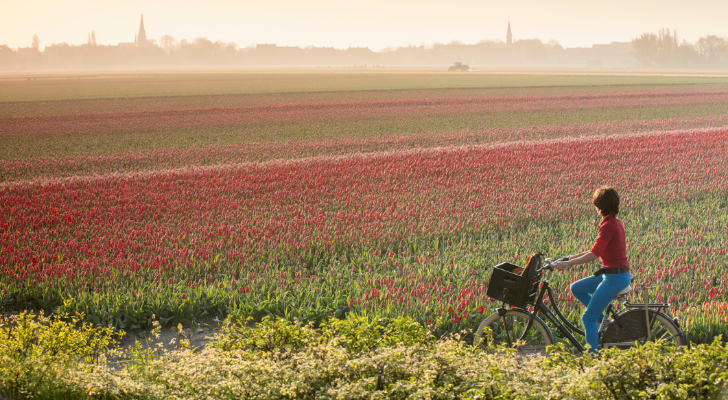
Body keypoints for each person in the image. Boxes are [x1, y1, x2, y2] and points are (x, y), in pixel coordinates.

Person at [553, 186, 631, 354]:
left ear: (599, 207)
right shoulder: (613, 223)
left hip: (614, 278)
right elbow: (593, 250)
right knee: (576, 288)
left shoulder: (608, 226)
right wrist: (568, 258)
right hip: (614, 274)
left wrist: (568, 265)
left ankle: (592, 358)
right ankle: (603, 322)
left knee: (587, 317)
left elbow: (594, 255)